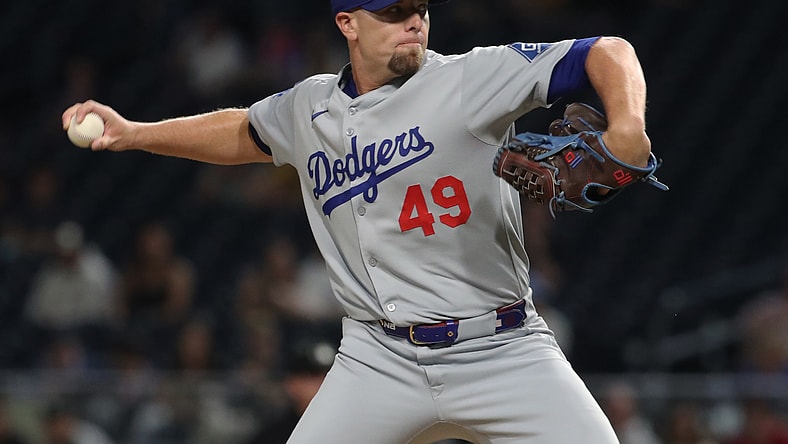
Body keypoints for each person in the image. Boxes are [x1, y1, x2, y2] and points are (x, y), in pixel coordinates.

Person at [62, 0, 656, 442]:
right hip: (378, 359)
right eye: (394, 12)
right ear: (348, 22)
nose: (414, 22)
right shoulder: (307, 107)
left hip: (501, 349)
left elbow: (609, 52)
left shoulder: (471, 78)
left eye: (419, 9)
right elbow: (243, 130)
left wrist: (627, 126)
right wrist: (136, 133)